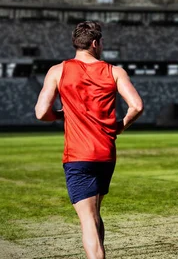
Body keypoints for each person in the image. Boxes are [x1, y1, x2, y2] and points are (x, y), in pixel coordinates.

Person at [34, 21, 144, 259]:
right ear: (95, 43)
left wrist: (60, 114)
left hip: (77, 156)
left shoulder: (58, 71)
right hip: (105, 154)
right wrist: (120, 127)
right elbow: (136, 106)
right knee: (94, 213)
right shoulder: (115, 71)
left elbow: (41, 113)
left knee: (87, 220)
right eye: (102, 42)